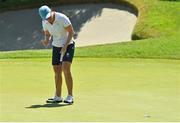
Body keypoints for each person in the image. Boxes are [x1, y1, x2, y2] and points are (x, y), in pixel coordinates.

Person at [39, 5, 75, 104]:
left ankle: (70, 95)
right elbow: (47, 33)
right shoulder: (45, 22)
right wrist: (47, 40)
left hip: (69, 44)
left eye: (49, 17)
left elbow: (71, 32)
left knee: (66, 68)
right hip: (56, 46)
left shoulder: (62, 18)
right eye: (46, 18)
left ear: (51, 11)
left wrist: (65, 45)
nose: (48, 19)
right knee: (57, 71)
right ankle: (58, 96)